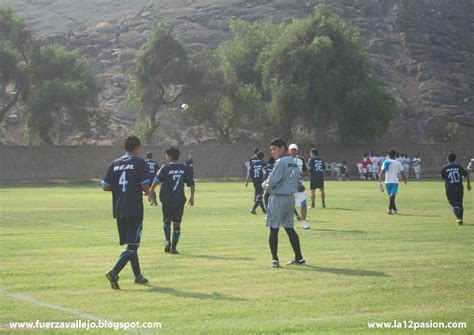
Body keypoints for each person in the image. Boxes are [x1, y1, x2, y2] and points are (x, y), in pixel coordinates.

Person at [101, 135, 150, 289]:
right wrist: (149, 193)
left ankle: (138, 276)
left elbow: (105, 186)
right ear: (137, 148)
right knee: (133, 245)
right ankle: (114, 271)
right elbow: (144, 185)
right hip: (134, 208)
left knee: (131, 243)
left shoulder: (114, 164)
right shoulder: (139, 162)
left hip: (119, 208)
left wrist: (121, 190)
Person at [262, 138, 305, 268]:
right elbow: (298, 182)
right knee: (289, 228)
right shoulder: (293, 162)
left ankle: (275, 259)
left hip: (278, 198)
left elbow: (272, 180)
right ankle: (299, 257)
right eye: (271, 149)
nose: (273, 152)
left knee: (273, 228)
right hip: (290, 199)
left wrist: (264, 185)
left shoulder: (280, 162)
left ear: (282, 148)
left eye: (274, 149)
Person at [149, 147, 195, 254]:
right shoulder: (184, 168)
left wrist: (151, 192)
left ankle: (167, 241)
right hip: (179, 199)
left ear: (168, 156)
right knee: (177, 223)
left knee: (166, 221)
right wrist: (192, 197)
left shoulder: (165, 168)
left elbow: (156, 180)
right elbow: (191, 184)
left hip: (166, 199)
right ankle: (174, 247)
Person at [441, 152, 471, 225]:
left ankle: (459, 218)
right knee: (460, 204)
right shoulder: (458, 166)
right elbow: (468, 175)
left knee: (454, 205)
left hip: (450, 189)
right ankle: (461, 219)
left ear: (447, 159)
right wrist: (468, 185)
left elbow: (443, 178)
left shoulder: (444, 168)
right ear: (455, 159)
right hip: (459, 188)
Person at [379, 149, 407, 215]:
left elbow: (381, 172)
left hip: (387, 181)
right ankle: (389, 209)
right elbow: (402, 173)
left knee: (391, 196)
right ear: (395, 155)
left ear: (388, 155)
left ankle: (394, 209)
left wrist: (380, 181)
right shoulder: (398, 163)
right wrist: (404, 179)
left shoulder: (386, 162)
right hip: (395, 181)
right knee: (392, 195)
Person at [289, 143, 309, 229]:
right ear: (289, 151)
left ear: (297, 150)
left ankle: (304, 222)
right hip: (289, 185)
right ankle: (289, 223)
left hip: (300, 184)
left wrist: (302, 174)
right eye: (292, 149)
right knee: (288, 204)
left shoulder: (301, 159)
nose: (293, 151)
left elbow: (305, 170)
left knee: (303, 203)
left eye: (295, 149)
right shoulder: (285, 160)